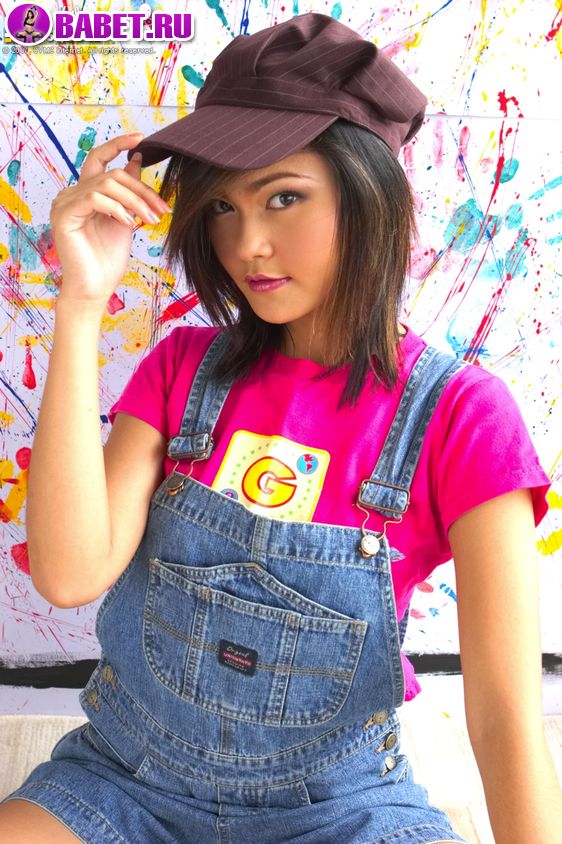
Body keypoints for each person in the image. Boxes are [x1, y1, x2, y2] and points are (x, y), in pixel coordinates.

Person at [0, 12, 560, 844]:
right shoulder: (182, 369)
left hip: (339, 810)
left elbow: (506, 716)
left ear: (368, 193)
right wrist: (81, 301)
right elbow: (69, 573)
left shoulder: (462, 415)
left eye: (284, 197)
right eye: (223, 206)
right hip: (125, 782)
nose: (247, 245)